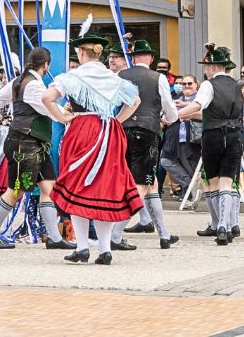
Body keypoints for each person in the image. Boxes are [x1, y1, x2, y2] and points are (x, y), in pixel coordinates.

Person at [41, 30, 142, 265]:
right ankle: (105, 249)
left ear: (82, 52)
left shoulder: (73, 77)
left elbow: (47, 97)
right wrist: (118, 120)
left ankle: (83, 247)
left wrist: (62, 118)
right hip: (110, 132)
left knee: (78, 186)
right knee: (105, 189)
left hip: (82, 129)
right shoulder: (113, 78)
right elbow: (135, 101)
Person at [0, 47, 74, 251]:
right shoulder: (33, 86)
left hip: (35, 144)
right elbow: (46, 106)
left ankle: (54, 237)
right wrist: (66, 116)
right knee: (16, 192)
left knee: (49, 187)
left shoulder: (18, 82)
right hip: (26, 144)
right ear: (46, 65)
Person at [175, 45, 244, 244]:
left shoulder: (208, 84)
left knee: (212, 180)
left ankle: (219, 225)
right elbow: (210, 112)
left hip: (213, 135)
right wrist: (188, 114)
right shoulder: (236, 85)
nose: (205, 70)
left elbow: (199, 105)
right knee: (227, 181)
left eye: (206, 66)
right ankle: (225, 226)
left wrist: (174, 114)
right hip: (234, 134)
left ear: (213, 67)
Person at [116, 38, 179, 247]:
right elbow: (168, 106)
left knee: (152, 184)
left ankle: (164, 234)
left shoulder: (121, 75)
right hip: (148, 131)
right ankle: (115, 234)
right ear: (151, 58)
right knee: (142, 183)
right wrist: (170, 118)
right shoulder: (157, 77)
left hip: (124, 131)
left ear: (133, 58)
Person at [160, 73, 202, 200]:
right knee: (166, 161)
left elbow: (203, 113)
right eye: (184, 83)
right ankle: (190, 186)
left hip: (193, 139)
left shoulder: (199, 99)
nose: (186, 86)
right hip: (174, 139)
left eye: (190, 83)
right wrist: (163, 119)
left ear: (196, 85)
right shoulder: (176, 98)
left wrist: (184, 111)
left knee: (190, 167)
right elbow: (164, 114)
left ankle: (189, 194)